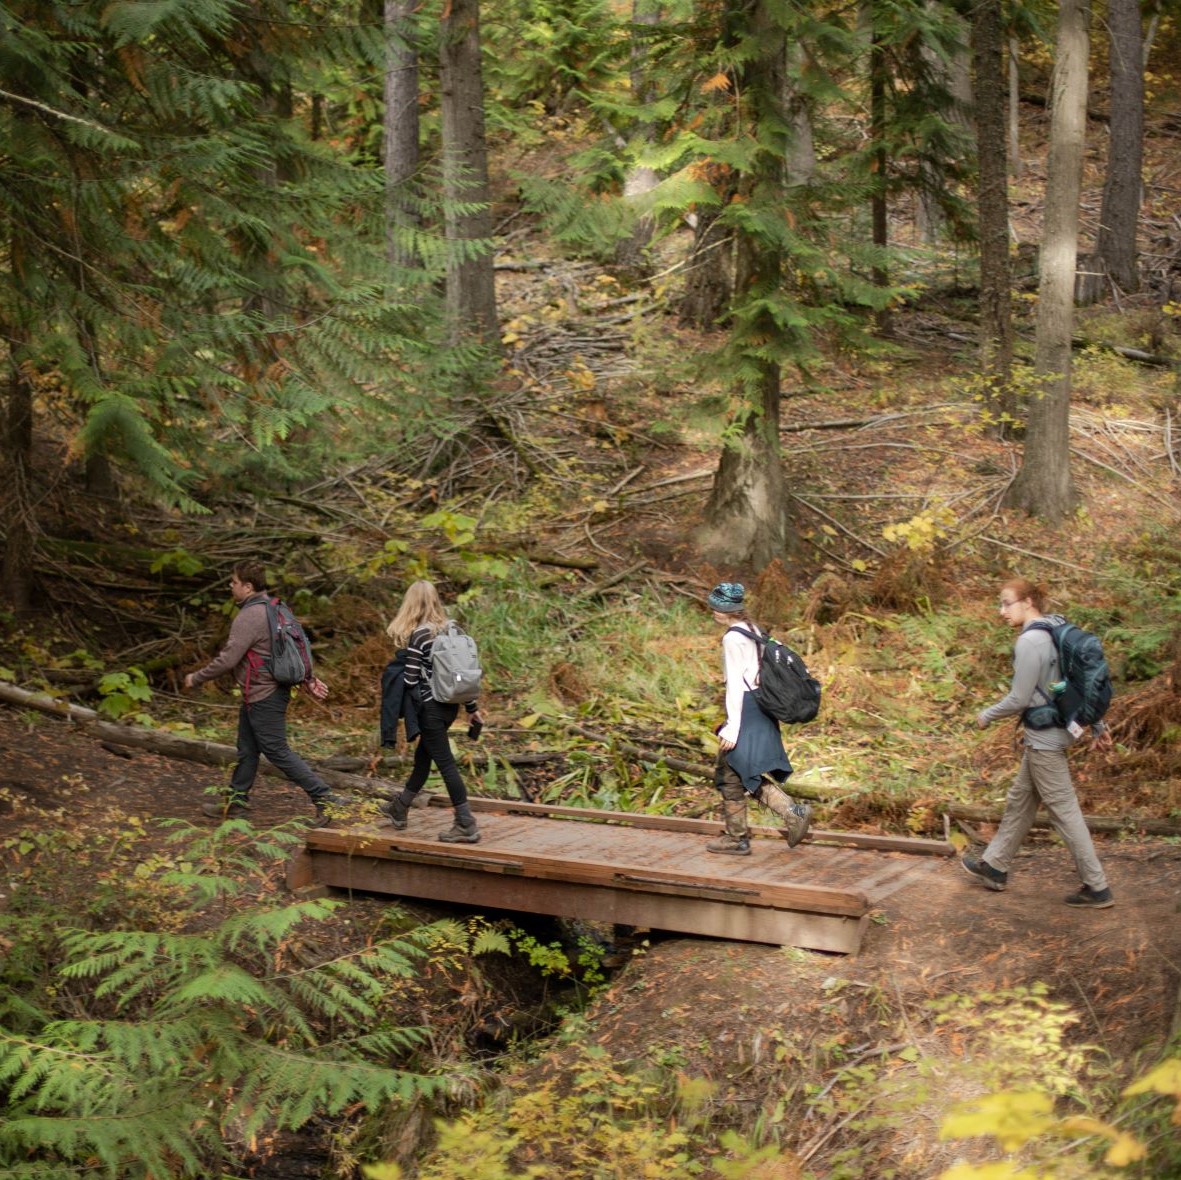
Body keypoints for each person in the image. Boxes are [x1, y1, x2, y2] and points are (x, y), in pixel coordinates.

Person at [962, 577, 1114, 908]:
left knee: (1064, 811)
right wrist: (1096, 723)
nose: (1001, 611)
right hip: (1048, 733)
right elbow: (1067, 686)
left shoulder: (1030, 641)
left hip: (1045, 739)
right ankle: (995, 866)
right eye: (1000, 604)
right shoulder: (1054, 628)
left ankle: (1097, 886)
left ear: (1028, 601)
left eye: (1006, 603)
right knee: (1020, 799)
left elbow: (1019, 698)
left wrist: (986, 715)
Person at [183, 561, 349, 823]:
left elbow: (228, 659)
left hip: (263, 694)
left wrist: (197, 677)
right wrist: (307, 678)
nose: (230, 586)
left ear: (247, 587)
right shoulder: (276, 609)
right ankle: (236, 803)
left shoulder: (250, 616)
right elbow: (289, 651)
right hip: (263, 692)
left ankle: (326, 799)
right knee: (247, 750)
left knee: (276, 751)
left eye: (234, 582)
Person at [705, 582, 812, 855]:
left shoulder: (732, 637)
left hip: (746, 710)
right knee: (738, 772)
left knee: (732, 773)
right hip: (761, 706)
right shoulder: (753, 630)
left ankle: (744, 835)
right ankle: (743, 834)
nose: (714, 612)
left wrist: (733, 727)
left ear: (726, 610)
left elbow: (736, 686)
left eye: (717, 608)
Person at [378, 580, 484, 844]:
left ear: (410, 603)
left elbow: (411, 680)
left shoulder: (420, 635)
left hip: (430, 709)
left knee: (445, 764)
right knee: (423, 760)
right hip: (450, 707)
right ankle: (399, 808)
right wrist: (472, 709)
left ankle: (466, 823)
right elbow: (463, 675)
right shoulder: (453, 630)